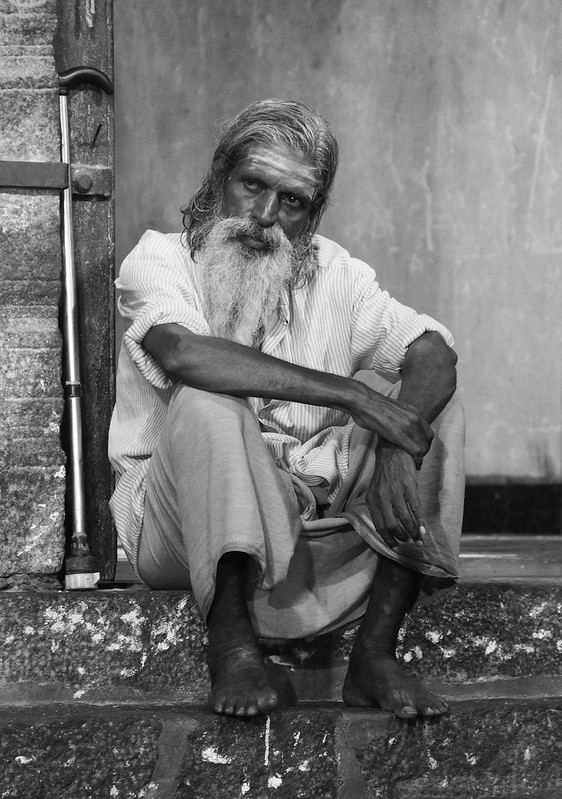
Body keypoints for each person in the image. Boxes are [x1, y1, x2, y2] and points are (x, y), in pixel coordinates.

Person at [109, 99, 464, 721]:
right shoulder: (159, 259)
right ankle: (232, 647)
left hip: (310, 533)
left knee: (436, 406)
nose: (265, 215)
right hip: (183, 534)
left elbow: (432, 350)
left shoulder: (337, 274)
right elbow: (184, 354)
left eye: (292, 201)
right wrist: (354, 395)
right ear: (219, 178)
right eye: (253, 185)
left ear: (313, 213)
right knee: (210, 402)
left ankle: (375, 655)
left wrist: (393, 445)